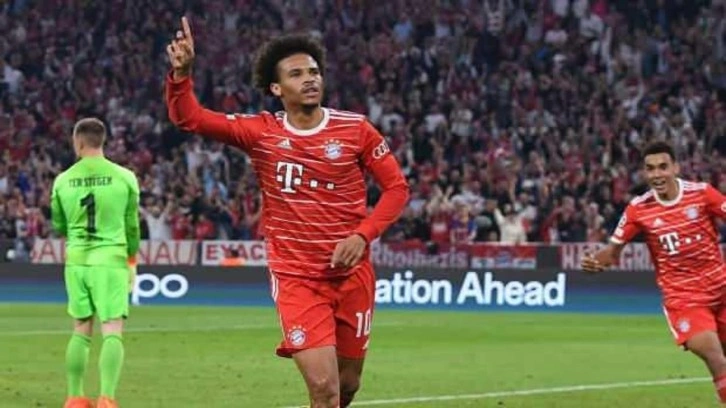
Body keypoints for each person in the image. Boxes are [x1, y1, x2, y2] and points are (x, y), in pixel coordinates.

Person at [165, 17, 409, 408]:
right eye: (296, 74)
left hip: (352, 277)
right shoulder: (261, 132)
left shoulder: (356, 130)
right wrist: (182, 76)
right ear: (276, 88)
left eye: (313, 72)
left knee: (347, 385)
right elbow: (190, 117)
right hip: (297, 279)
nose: (310, 79)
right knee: (325, 388)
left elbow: (397, 188)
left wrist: (362, 235)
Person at [582, 141, 726, 403]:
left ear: (676, 168)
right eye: (650, 169)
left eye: (662, 167)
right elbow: (612, 252)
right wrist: (595, 262)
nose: (657, 174)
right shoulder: (638, 209)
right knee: (716, 359)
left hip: (722, 289)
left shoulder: (703, 194)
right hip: (685, 300)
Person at [51, 118, 141, 408]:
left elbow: (58, 225)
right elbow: (132, 226)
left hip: (77, 261)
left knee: (80, 329)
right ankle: (106, 399)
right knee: (112, 329)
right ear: (102, 141)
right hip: (111, 260)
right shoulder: (124, 177)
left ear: (78, 142)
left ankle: (75, 397)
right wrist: (131, 258)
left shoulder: (62, 180)